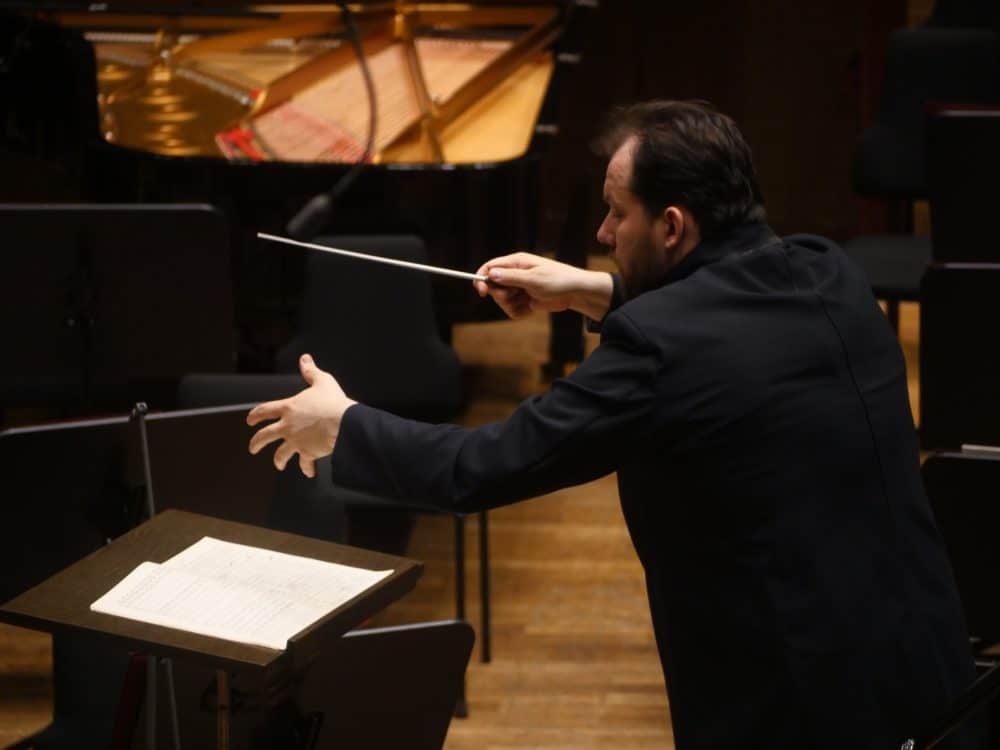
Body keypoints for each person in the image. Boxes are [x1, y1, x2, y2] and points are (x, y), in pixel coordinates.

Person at [247, 100, 978, 749]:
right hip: (931, 667)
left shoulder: (658, 350)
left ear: (672, 225)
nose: (600, 232)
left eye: (616, 214)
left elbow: (479, 467)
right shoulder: (826, 269)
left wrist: (344, 424)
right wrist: (591, 289)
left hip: (801, 708)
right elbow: (718, 317)